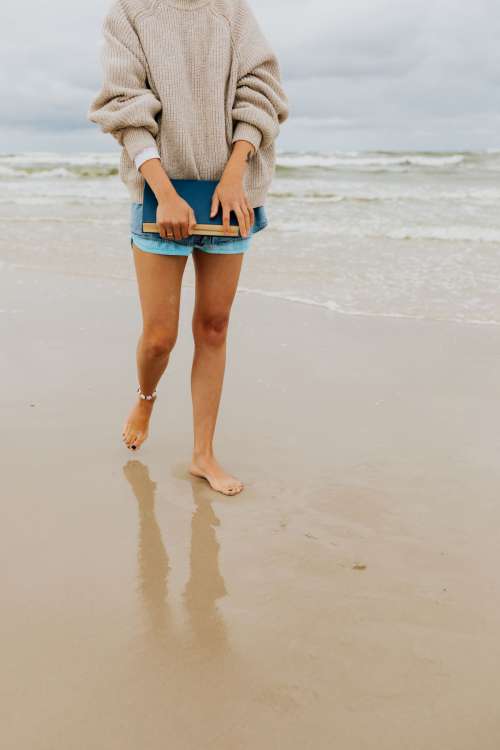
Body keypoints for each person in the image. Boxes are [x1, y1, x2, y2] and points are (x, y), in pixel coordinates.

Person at [87, 0, 289, 495]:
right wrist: (165, 191)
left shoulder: (232, 13)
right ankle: (146, 397)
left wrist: (235, 175)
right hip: (160, 190)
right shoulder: (130, 13)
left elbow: (261, 92)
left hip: (230, 193)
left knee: (214, 327)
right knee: (160, 336)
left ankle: (203, 454)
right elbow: (123, 104)